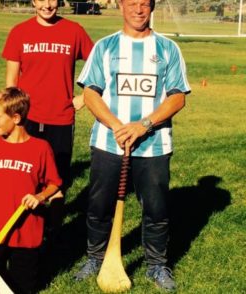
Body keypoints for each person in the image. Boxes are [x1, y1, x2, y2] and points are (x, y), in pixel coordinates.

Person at [73, 0, 190, 291]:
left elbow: (177, 97)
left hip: (153, 145)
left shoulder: (167, 49)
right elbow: (90, 94)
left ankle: (156, 266)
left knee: (156, 208)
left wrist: (143, 125)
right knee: (99, 206)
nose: (138, 10)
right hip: (108, 143)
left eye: (143, 4)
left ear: (151, 7)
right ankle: (95, 258)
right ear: (121, 6)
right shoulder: (105, 47)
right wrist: (116, 125)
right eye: (131, 3)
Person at [2, 0, 93, 231]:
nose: (47, 4)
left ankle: (53, 234)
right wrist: (11, 114)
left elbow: (98, 64)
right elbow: (11, 80)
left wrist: (84, 98)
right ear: (34, 1)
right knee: (23, 177)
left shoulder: (74, 31)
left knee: (57, 180)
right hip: (26, 118)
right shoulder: (19, 32)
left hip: (60, 119)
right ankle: (22, 228)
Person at [0, 88, 61, 294]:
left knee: (22, 288)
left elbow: (54, 183)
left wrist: (40, 196)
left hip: (26, 232)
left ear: (16, 117)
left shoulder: (41, 148)